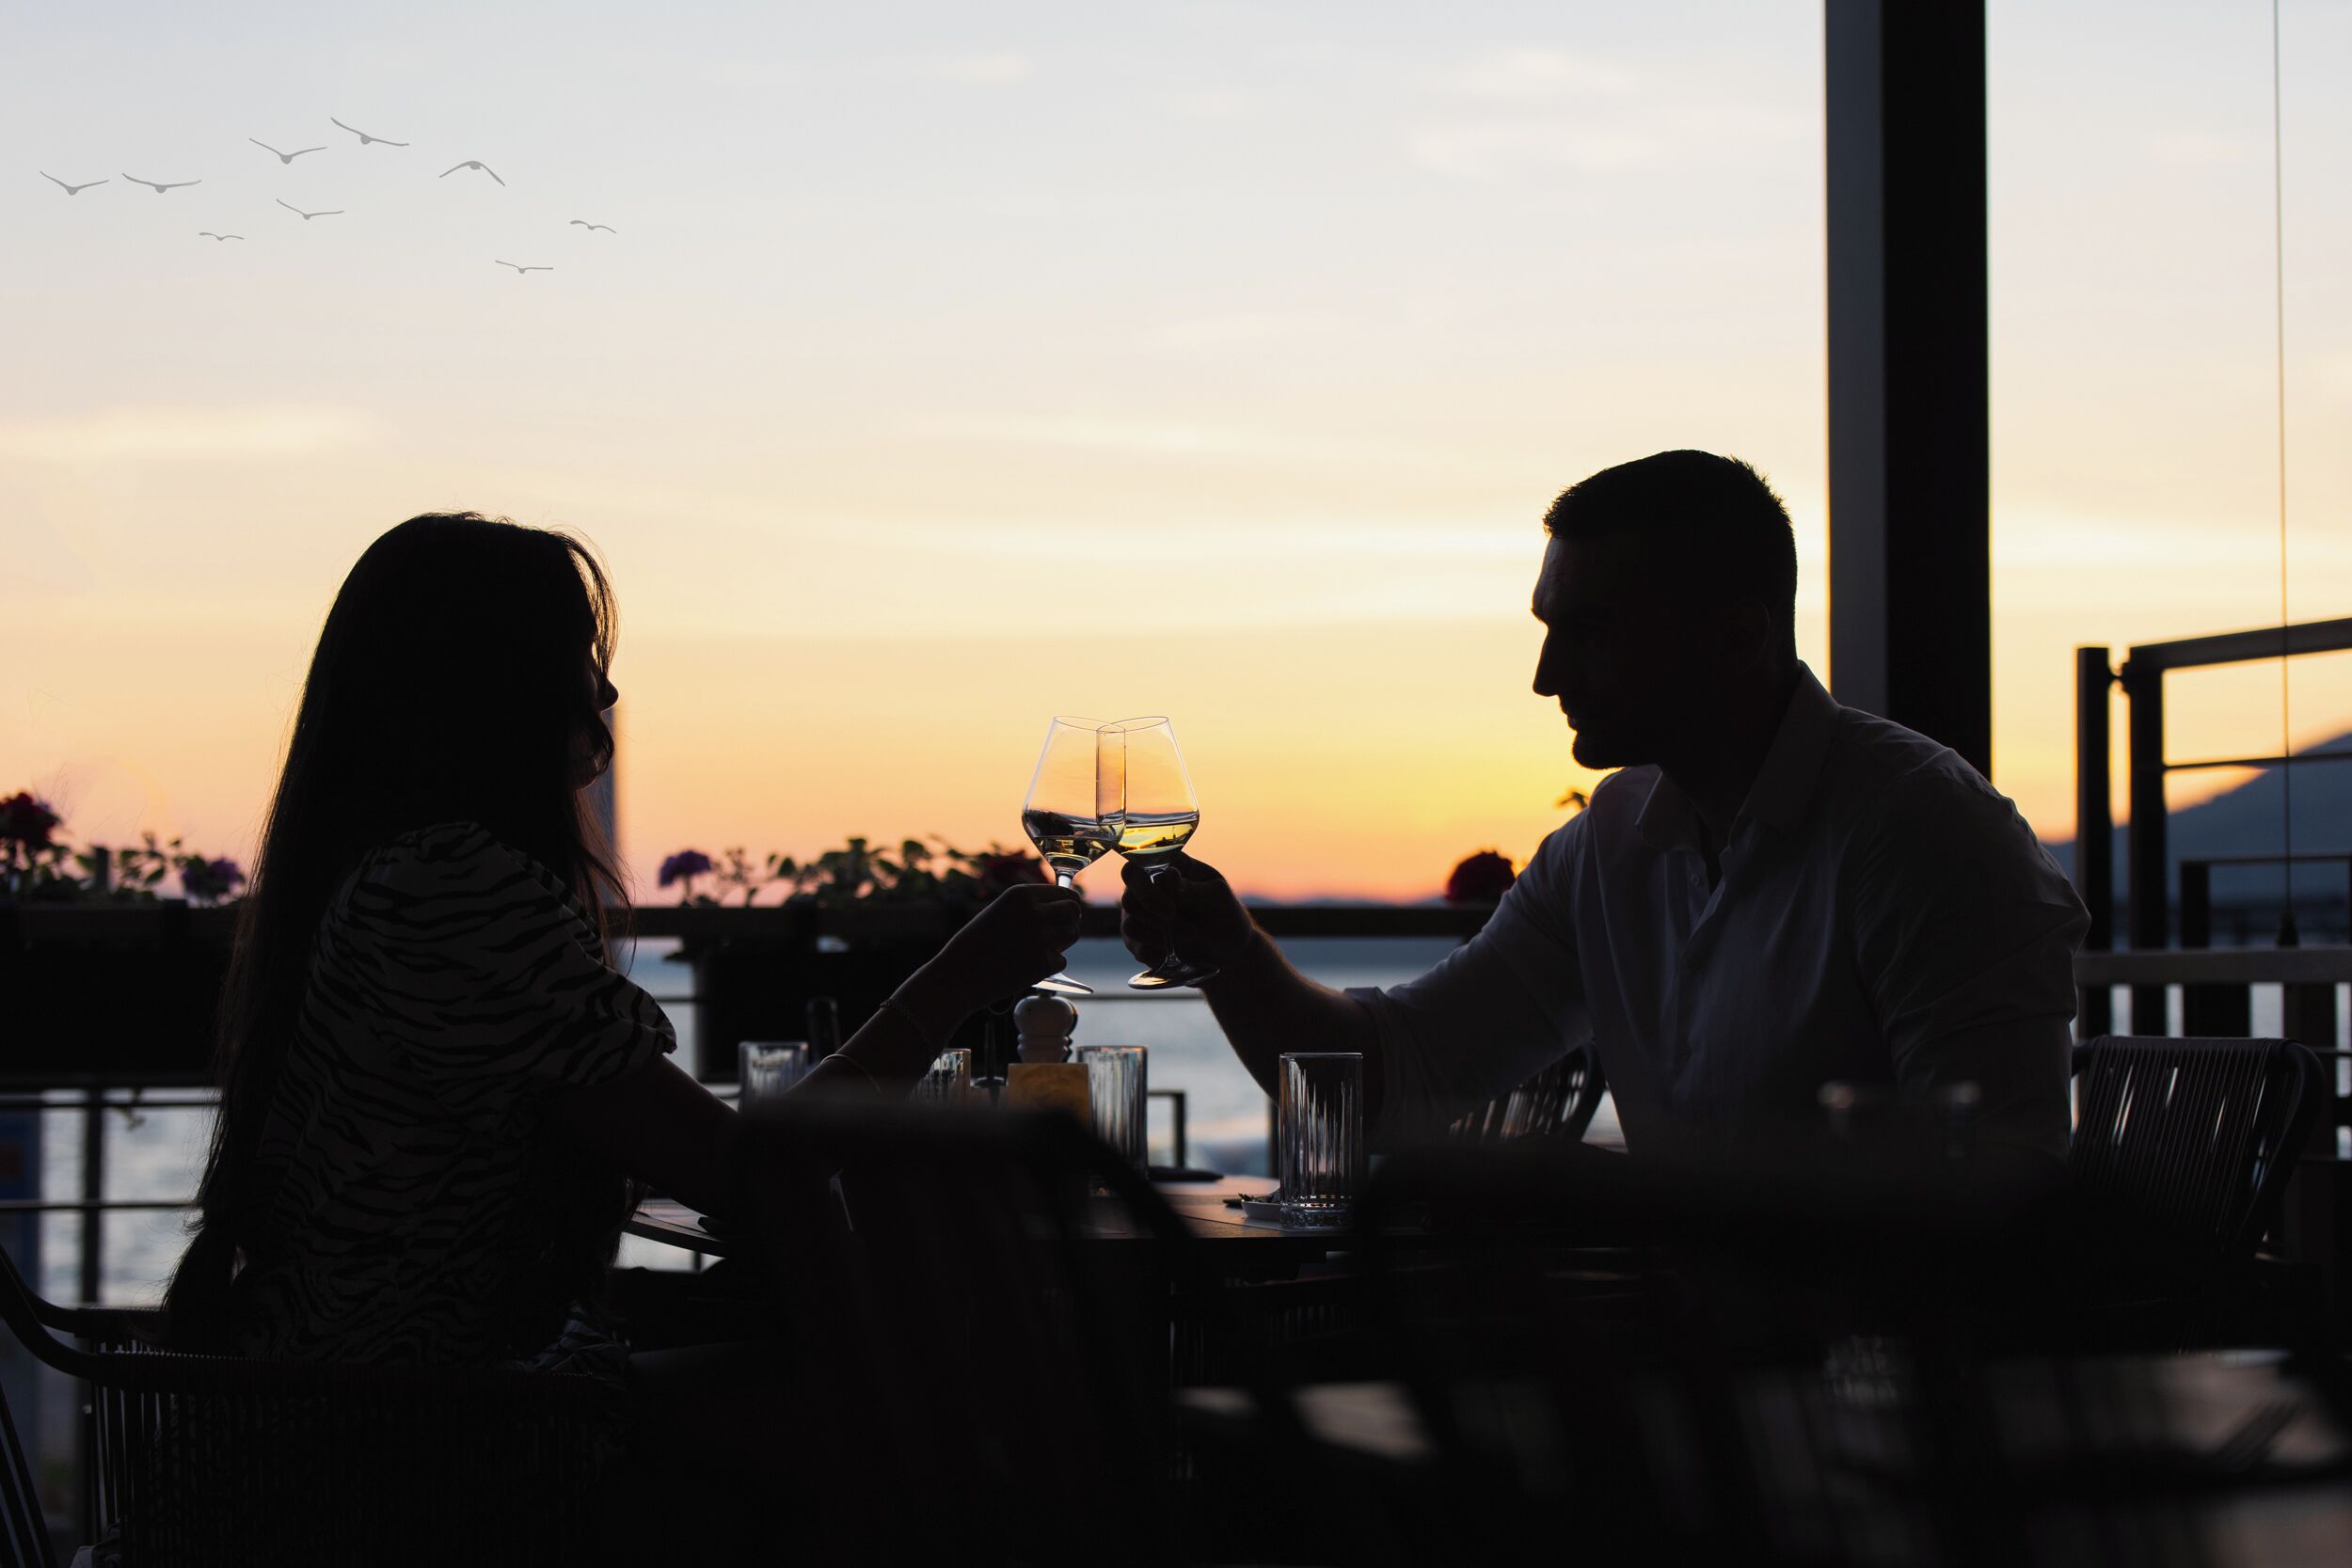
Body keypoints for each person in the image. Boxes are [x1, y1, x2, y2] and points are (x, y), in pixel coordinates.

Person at [162, 513, 1079, 1440]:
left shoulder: (371, 869)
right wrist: (957, 978)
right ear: (498, 682)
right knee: (907, 1392)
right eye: (577, 652)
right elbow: (748, 1172)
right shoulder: (449, 887)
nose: (601, 688)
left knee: (845, 1355)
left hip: (335, 1407)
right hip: (411, 1449)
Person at [1120, 451, 2089, 1161]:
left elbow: (2001, 1180)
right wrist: (1229, 953)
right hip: (1698, 1373)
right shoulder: (1606, 848)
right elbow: (1388, 1080)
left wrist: (1607, 1201)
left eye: (1588, 632)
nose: (1545, 677)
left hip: (1885, 1396)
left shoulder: (1922, 833)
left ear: (1733, 638)